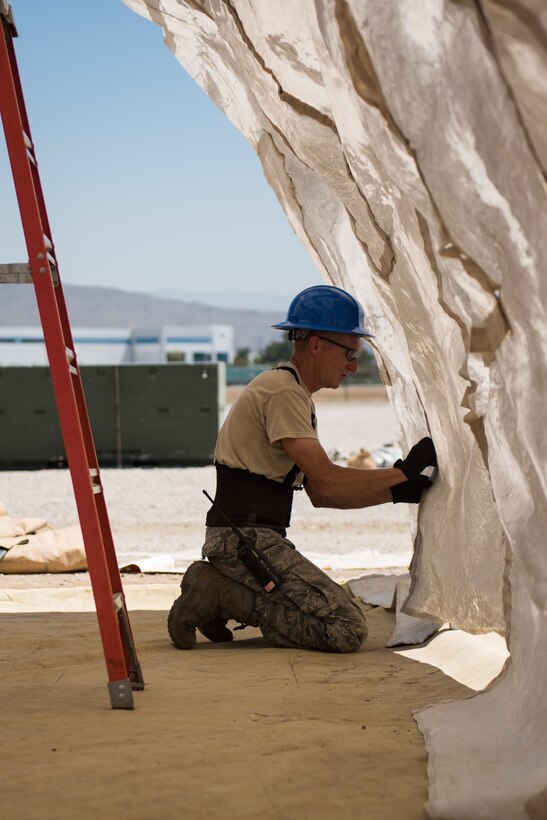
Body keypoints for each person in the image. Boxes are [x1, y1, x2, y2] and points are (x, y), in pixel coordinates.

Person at [168, 285, 437, 653]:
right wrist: (402, 473)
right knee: (345, 630)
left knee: (323, 614)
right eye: (349, 353)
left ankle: (221, 590)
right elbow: (327, 478)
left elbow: (323, 494)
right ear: (315, 344)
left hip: (250, 537)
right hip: (245, 540)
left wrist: (394, 491)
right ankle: (221, 594)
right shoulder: (284, 394)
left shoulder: (291, 393)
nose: (353, 366)